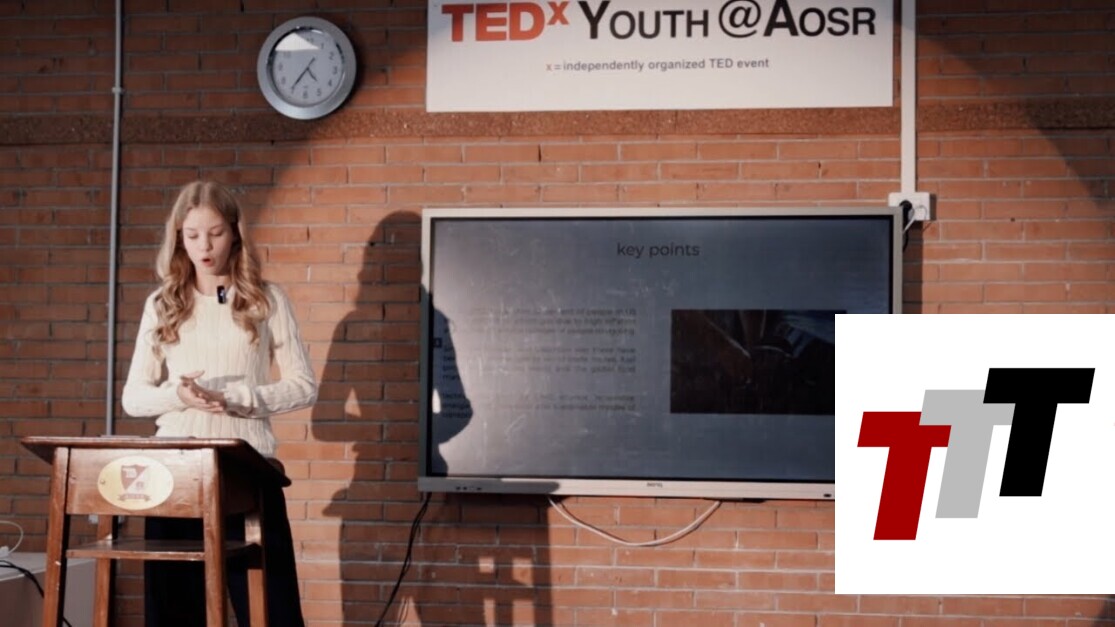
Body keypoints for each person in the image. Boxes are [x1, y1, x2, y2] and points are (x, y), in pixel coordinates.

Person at [121, 179, 317, 627]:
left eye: (215, 233)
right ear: (179, 238)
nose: (204, 247)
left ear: (234, 233)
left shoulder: (266, 299)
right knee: (173, 613)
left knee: (272, 612)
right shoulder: (163, 303)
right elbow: (134, 398)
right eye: (192, 235)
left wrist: (235, 399)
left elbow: (304, 386)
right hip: (175, 474)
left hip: (245, 470)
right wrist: (178, 395)